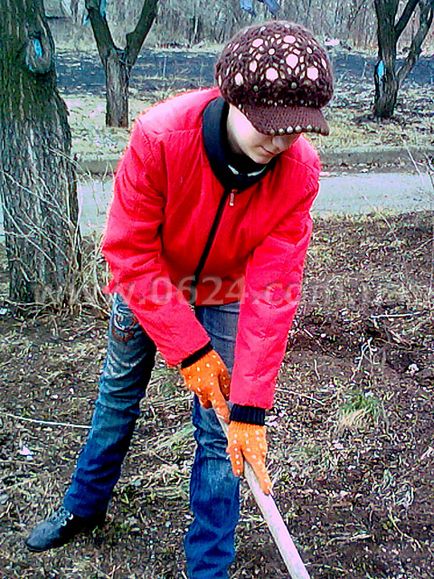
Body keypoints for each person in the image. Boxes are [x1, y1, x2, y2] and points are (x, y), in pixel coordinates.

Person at [25, 20, 333, 578]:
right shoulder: (161, 137)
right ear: (229, 97)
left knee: (223, 436)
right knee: (117, 397)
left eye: (295, 129)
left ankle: (208, 565)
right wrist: (189, 352)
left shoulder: (299, 171)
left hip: (226, 291)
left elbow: (274, 287)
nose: (280, 141)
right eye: (267, 125)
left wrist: (251, 406)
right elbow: (129, 249)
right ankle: (82, 505)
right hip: (149, 286)